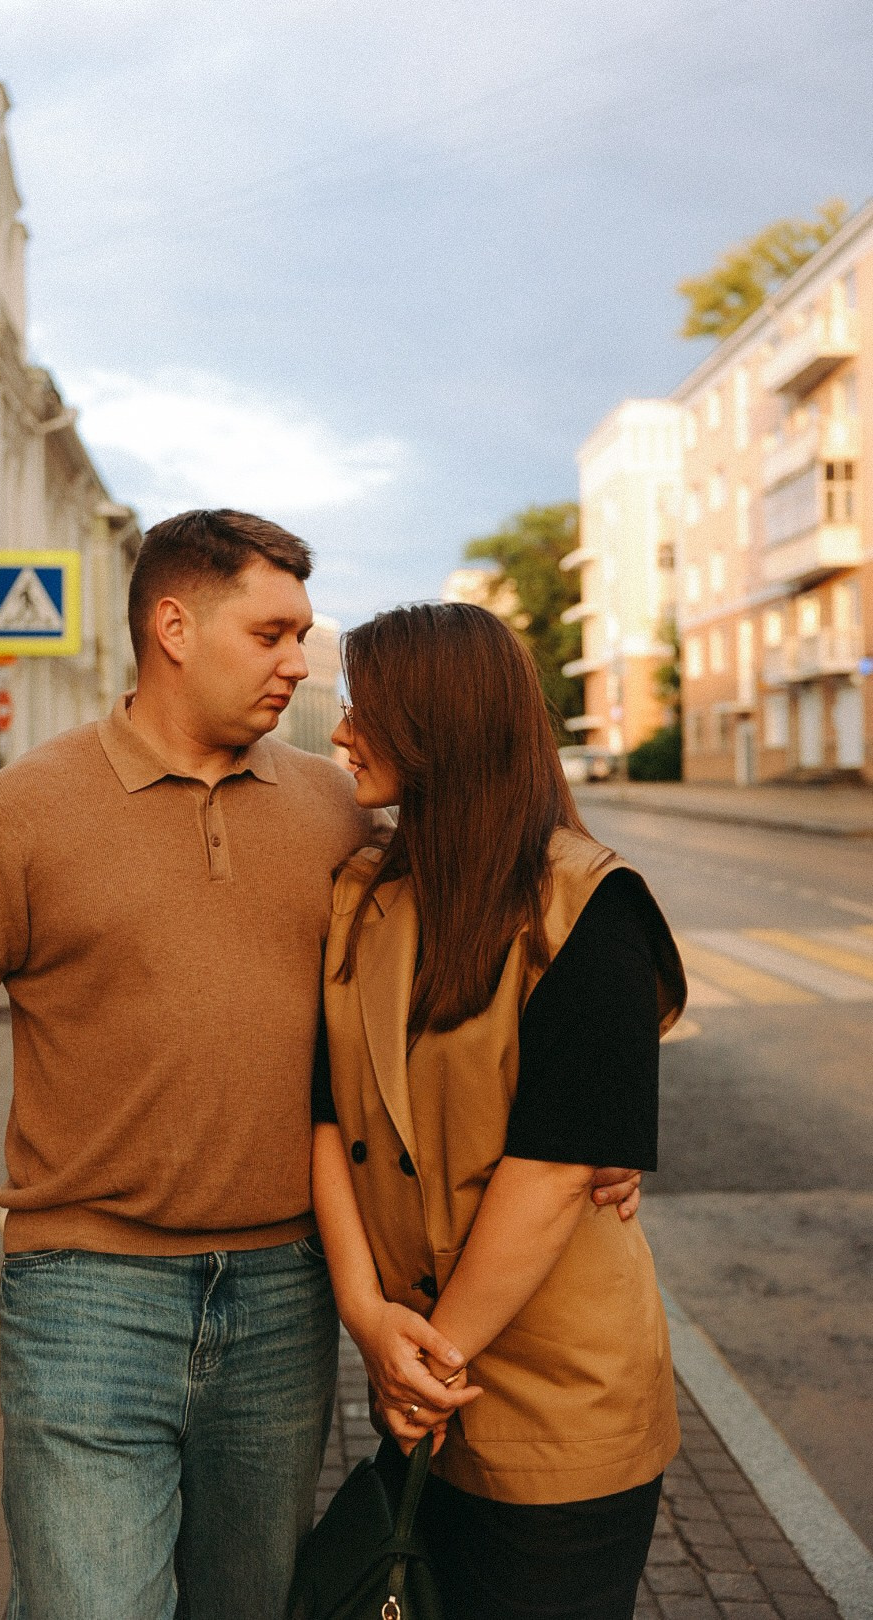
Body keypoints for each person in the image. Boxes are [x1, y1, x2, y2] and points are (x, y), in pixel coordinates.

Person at [0, 511, 646, 1620]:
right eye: (272, 634)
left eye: (304, 635)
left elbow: (495, 962)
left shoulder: (339, 810)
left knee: (255, 1602)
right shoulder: (21, 812)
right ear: (174, 625)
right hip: (87, 1292)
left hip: (285, 1295)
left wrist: (596, 1138)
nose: (298, 664)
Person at [312, 601, 687, 1620]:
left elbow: (562, 1166)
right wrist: (365, 1317)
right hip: (422, 1381)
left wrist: (424, 1366)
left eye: (364, 709)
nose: (340, 731)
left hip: (556, 1398)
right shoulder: (362, 893)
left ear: (444, 725)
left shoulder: (591, 907)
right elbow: (323, 1116)